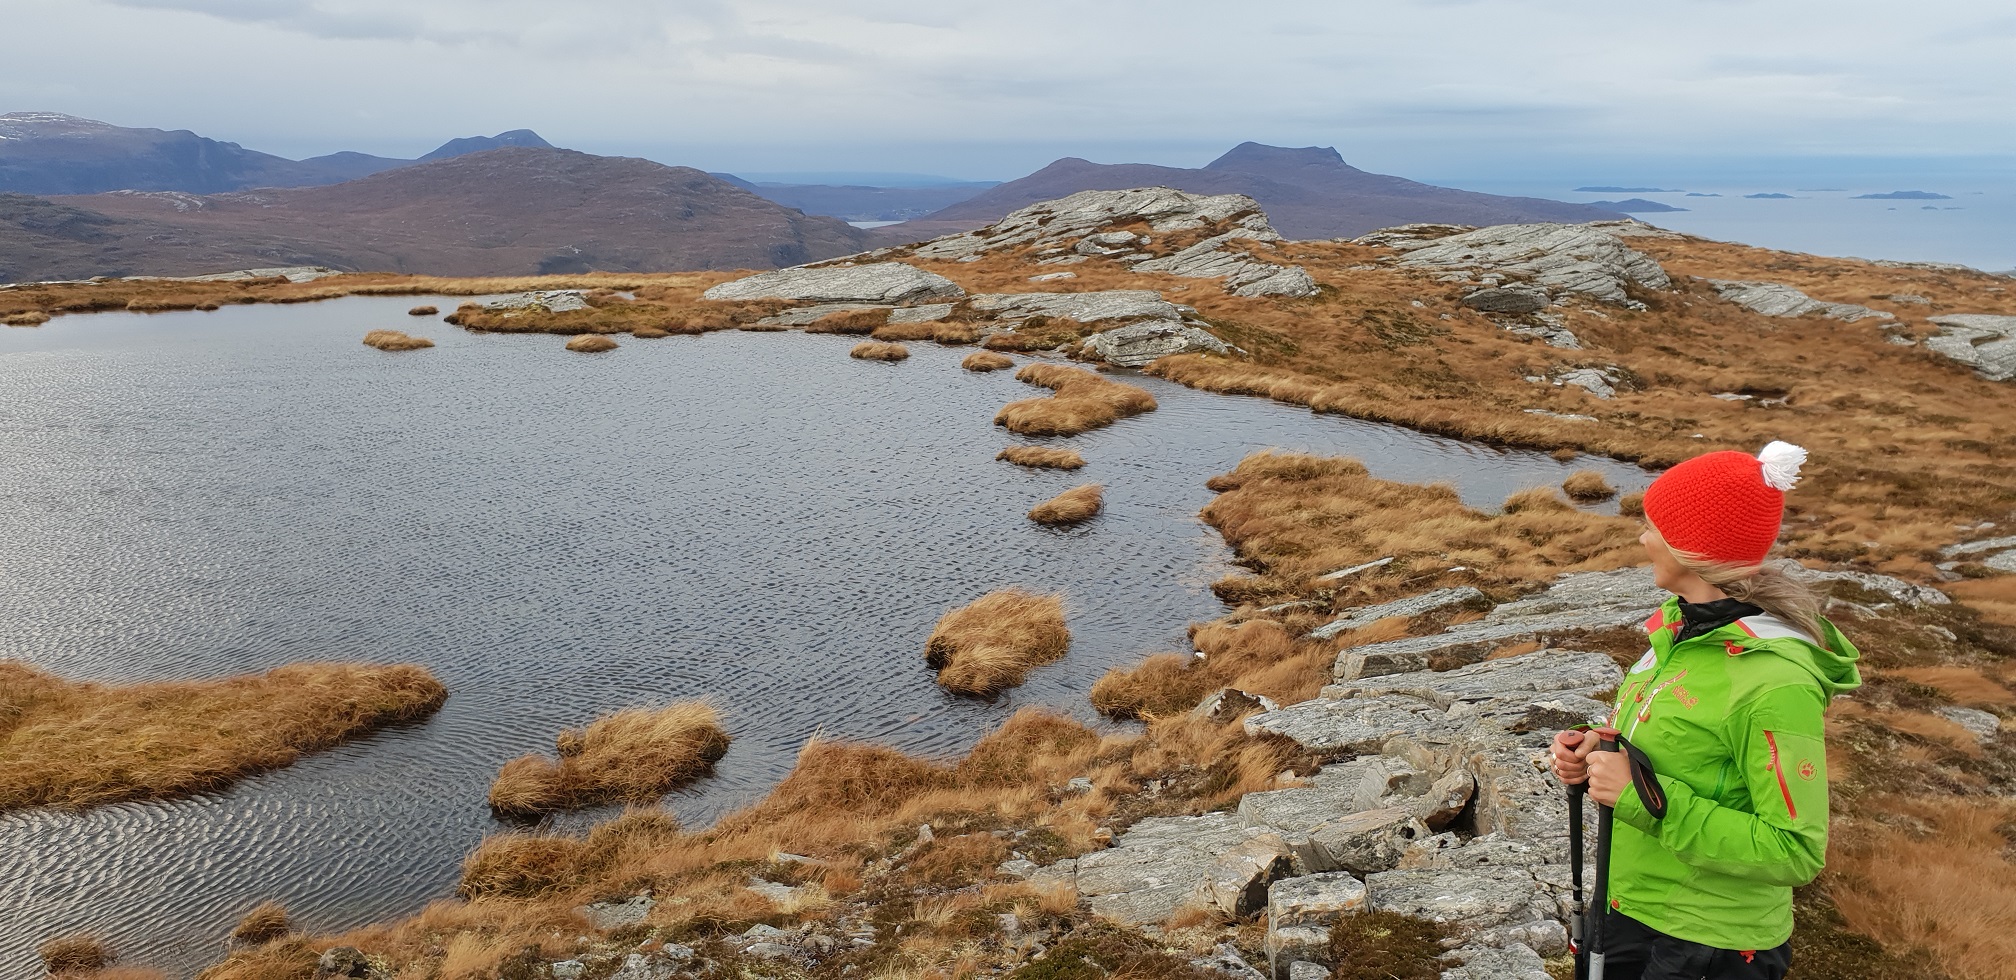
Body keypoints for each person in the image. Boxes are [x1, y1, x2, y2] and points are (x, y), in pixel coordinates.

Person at [1551, 441, 1862, 980]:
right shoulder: (1679, 630)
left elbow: (1794, 851)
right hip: (1628, 902)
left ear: (1693, 550)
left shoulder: (1776, 681)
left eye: (1654, 527)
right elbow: (1674, 743)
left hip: (1708, 941)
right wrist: (1599, 748)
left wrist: (1640, 798)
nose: (1641, 537)